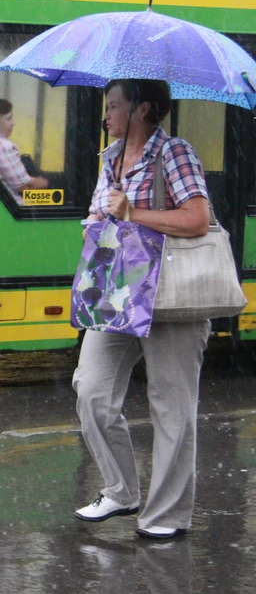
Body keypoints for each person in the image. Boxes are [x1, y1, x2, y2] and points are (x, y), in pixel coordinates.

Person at [72, 79, 211, 540]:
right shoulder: (109, 159)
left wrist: (134, 214)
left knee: (171, 407)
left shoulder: (174, 153)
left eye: (115, 107)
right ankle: (121, 490)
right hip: (118, 289)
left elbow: (196, 218)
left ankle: (166, 517)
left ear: (143, 110)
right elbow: (104, 214)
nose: (106, 115)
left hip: (172, 294)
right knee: (91, 389)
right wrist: (96, 222)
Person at [0, 99, 48, 204]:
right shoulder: (3, 146)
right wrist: (45, 182)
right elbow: (23, 185)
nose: (13, 123)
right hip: (13, 205)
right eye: (8, 119)